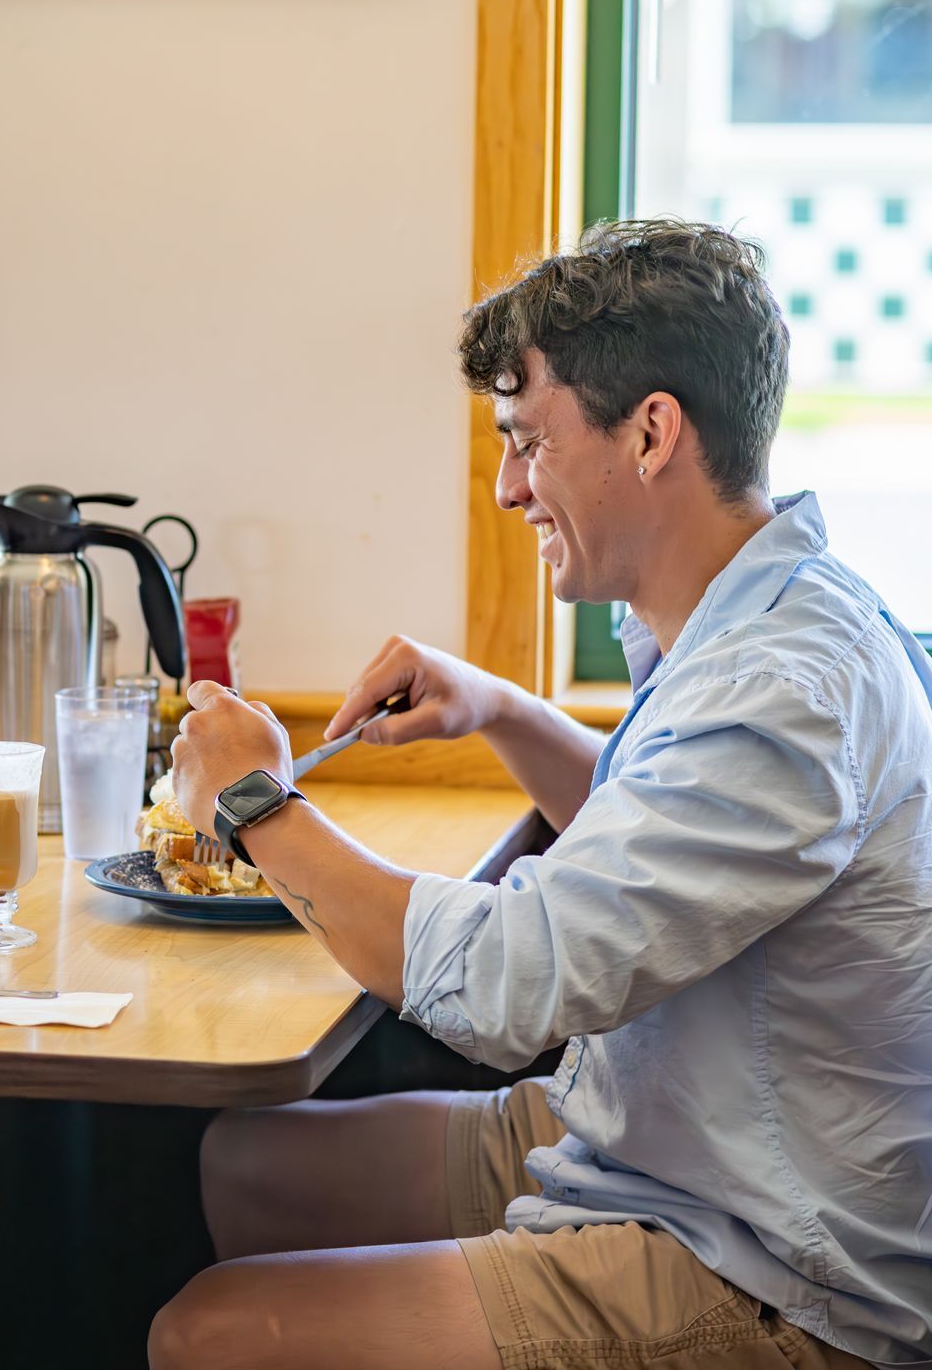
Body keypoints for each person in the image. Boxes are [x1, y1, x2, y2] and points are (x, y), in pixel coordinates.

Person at [151, 220, 932, 1370]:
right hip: (672, 1139)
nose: (512, 487)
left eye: (530, 442)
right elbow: (660, 850)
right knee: (244, 1166)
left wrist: (256, 804)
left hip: (777, 1264)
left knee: (209, 1335)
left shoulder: (783, 690)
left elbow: (520, 983)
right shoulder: (764, 611)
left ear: (654, 432)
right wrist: (505, 712)